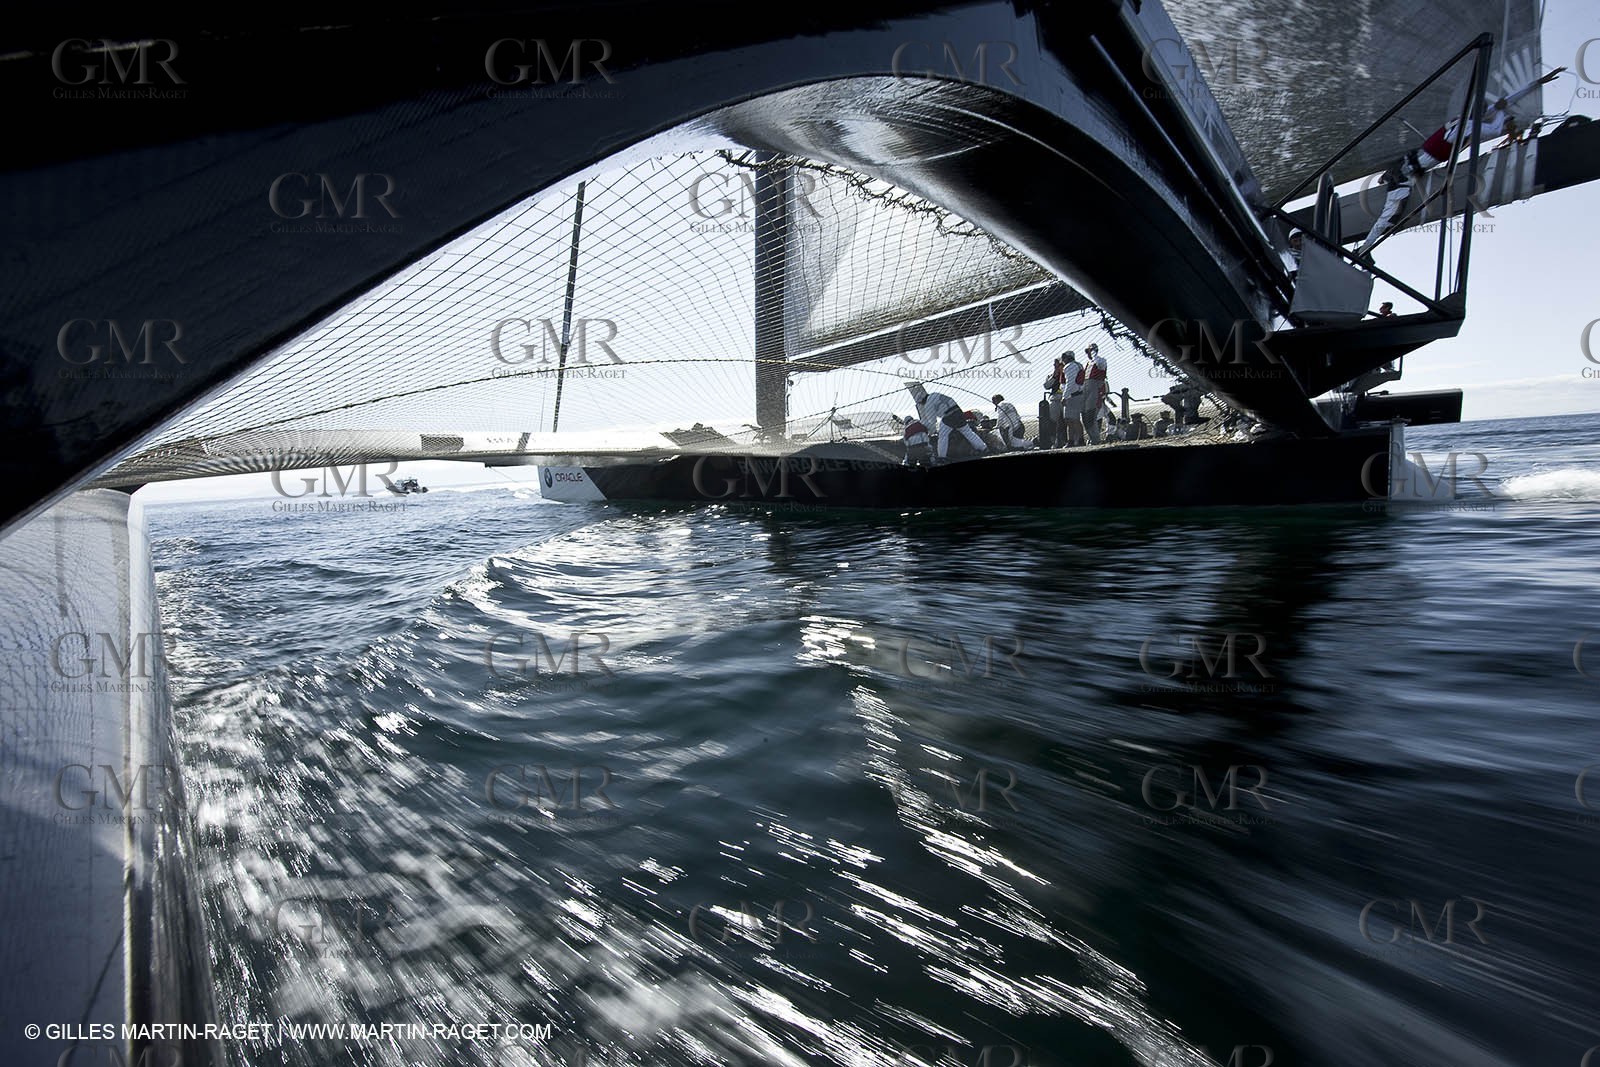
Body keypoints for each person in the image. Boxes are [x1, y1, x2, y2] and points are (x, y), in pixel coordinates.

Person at [1358, 68, 1563, 256]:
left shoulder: (1464, 118)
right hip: (1407, 173)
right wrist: (1503, 116)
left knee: (1392, 212)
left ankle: (1368, 237)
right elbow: (1494, 128)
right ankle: (1364, 249)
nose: (1489, 112)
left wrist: (1537, 83)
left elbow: (1504, 102)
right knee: (1390, 215)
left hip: (1411, 164)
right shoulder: (1468, 126)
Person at [905, 382, 987, 463]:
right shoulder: (934, 394)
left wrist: (929, 430)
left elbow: (932, 421)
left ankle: (942, 457)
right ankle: (983, 448)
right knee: (968, 432)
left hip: (948, 416)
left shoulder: (927, 404)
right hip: (958, 412)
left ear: (922, 401)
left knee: (943, 436)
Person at [1083, 344, 1109, 444]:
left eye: (1089, 351)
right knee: (1086, 416)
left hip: (1095, 389)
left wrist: (1100, 391)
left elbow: (1101, 374)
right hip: (1086, 390)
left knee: (1092, 415)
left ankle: (1096, 439)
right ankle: (1093, 438)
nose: (1088, 353)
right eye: (1087, 351)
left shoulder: (1100, 360)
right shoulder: (1087, 363)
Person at [1061, 351, 1086, 446]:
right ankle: (1072, 440)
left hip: (1073, 396)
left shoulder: (1070, 367)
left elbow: (1070, 382)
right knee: (1070, 419)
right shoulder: (1078, 365)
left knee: (1073, 419)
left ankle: (1079, 440)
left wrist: (1064, 396)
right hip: (1075, 395)